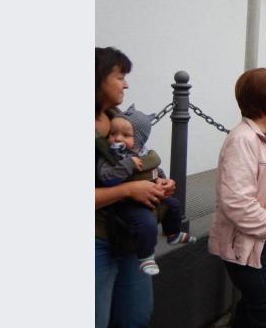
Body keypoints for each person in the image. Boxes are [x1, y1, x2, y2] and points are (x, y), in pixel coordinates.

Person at [209, 68, 266, 328]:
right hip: (260, 246)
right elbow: (237, 202)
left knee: (253, 317)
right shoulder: (243, 140)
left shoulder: (265, 137)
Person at [96, 46, 175, 328]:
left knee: (135, 317)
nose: (126, 83)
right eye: (120, 76)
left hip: (130, 237)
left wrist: (157, 183)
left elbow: (137, 161)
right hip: (97, 239)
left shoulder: (119, 118)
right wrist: (129, 191)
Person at [96, 107, 195, 276]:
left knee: (174, 205)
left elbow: (154, 170)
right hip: (129, 204)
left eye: (125, 136)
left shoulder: (144, 153)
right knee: (147, 223)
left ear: (139, 140)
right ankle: (146, 256)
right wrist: (128, 164)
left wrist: (163, 181)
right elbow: (107, 177)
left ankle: (173, 234)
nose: (117, 138)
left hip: (151, 195)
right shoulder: (112, 158)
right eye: (113, 134)